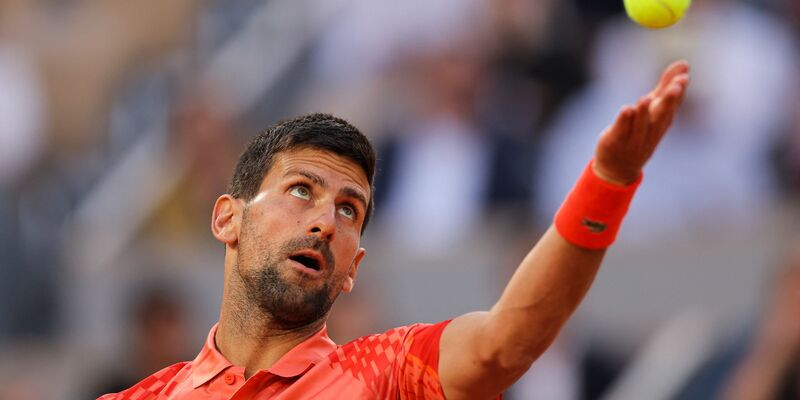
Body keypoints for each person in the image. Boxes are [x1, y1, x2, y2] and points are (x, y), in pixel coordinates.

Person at [99, 60, 690, 399]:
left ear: (352, 269)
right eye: (301, 190)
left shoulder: (388, 375)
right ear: (228, 217)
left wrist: (609, 180)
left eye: (349, 210)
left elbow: (508, 341)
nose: (325, 222)